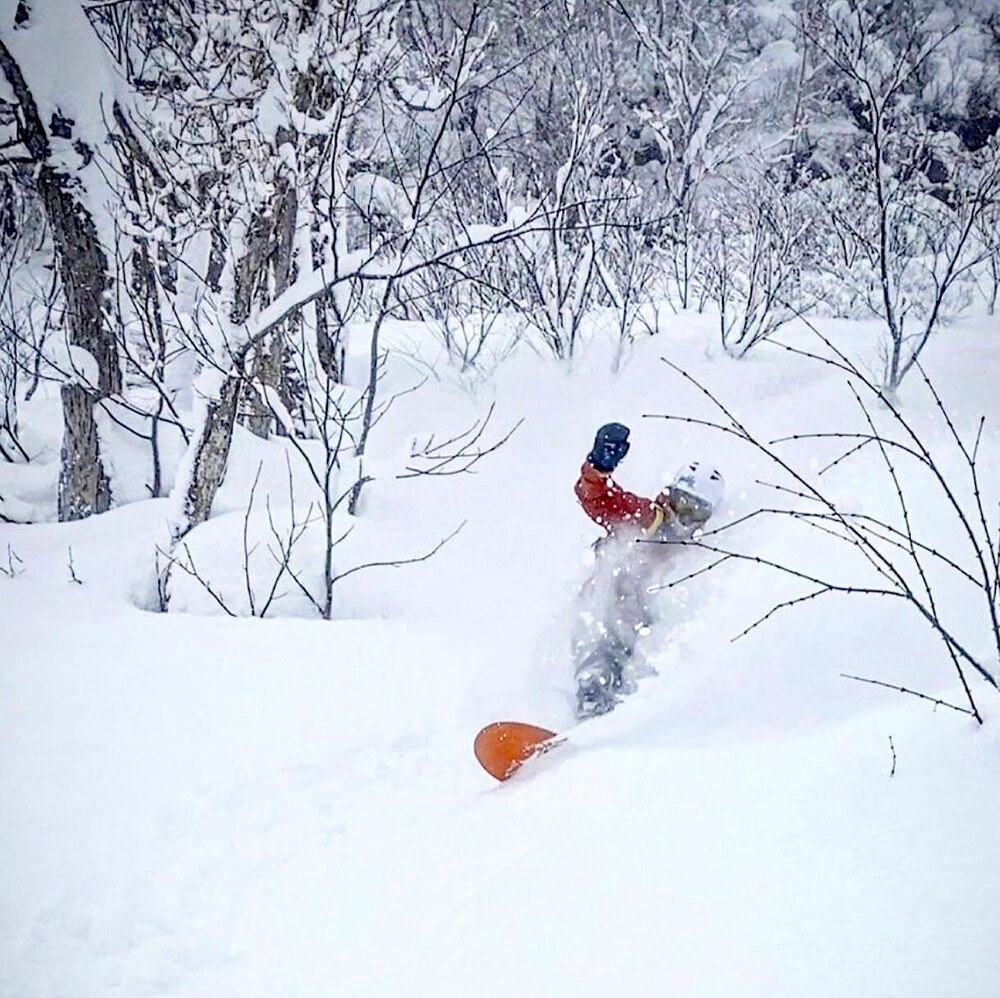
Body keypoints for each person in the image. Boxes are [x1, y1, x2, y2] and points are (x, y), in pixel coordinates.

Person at [571, 422, 712, 717]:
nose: (683, 518)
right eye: (682, 503)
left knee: (644, 645)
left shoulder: (698, 554)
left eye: (695, 511)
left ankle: (633, 710)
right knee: (613, 632)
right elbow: (599, 499)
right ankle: (593, 696)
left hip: (642, 627)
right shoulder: (649, 519)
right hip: (605, 607)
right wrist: (598, 467)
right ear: (669, 496)